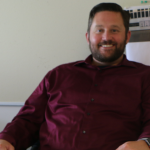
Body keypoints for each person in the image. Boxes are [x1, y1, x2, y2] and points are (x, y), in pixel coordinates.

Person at [0, 2, 150, 150]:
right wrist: (6, 140)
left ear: (127, 36)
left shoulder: (144, 76)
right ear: (88, 37)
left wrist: (146, 142)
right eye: (99, 30)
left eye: (115, 30)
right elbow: (28, 120)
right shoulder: (59, 74)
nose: (106, 37)